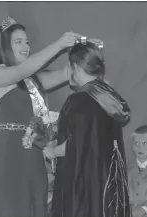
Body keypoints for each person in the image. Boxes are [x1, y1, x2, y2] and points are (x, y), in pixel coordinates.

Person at [0, 16, 82, 217]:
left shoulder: (31, 80)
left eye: (27, 42)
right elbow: (25, 68)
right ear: (5, 46)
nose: (26, 46)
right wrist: (59, 45)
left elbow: (65, 74)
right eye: (18, 42)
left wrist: (82, 50)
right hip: (8, 157)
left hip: (33, 155)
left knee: (36, 208)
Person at [43, 40, 132, 217]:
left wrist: (53, 151)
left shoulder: (79, 101)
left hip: (83, 184)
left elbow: (78, 144)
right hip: (107, 181)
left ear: (75, 66)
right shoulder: (109, 96)